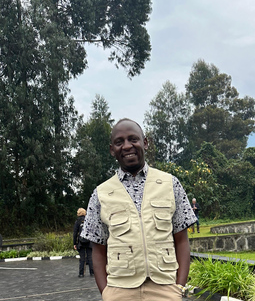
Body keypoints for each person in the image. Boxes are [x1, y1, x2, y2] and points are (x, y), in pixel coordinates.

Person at [80, 118, 197, 301]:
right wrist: (106, 293)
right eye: (119, 142)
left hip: (165, 289)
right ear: (112, 150)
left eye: (133, 139)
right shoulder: (101, 194)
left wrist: (179, 287)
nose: (127, 146)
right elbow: (98, 249)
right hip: (120, 291)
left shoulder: (170, 184)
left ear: (145, 142)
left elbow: (181, 240)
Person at [73, 208, 94, 278]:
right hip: (89, 241)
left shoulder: (77, 222)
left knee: (82, 258)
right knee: (90, 257)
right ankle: (92, 272)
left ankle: (81, 273)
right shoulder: (88, 220)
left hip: (81, 242)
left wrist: (74, 243)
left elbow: (75, 233)